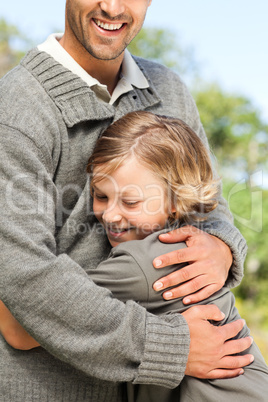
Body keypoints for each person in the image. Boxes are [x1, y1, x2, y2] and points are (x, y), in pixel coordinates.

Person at [0, 1, 252, 400]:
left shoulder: (169, 89)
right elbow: (25, 285)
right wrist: (173, 347)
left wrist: (222, 246)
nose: (113, 7)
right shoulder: (18, 109)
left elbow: (207, 201)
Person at [1, 112, 267, 402]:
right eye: (100, 196)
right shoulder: (189, 239)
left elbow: (22, 326)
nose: (111, 215)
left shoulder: (147, 264)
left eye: (130, 201)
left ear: (176, 202)